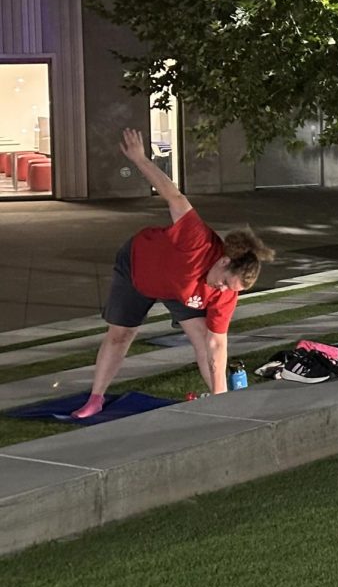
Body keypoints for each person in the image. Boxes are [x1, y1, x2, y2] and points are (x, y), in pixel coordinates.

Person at [72, 128, 275, 419]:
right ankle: (95, 398)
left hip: (182, 290)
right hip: (139, 268)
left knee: (203, 337)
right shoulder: (196, 239)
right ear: (224, 261)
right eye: (226, 284)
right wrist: (140, 159)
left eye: (233, 291)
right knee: (121, 333)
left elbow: (217, 345)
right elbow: (173, 195)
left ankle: (220, 401)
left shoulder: (224, 294)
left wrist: (221, 400)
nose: (225, 292)